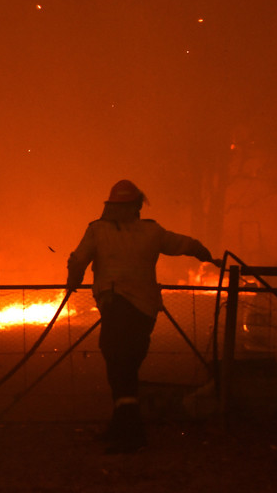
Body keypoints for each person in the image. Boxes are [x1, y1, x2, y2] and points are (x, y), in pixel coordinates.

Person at [66, 179, 216, 454]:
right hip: (145, 311)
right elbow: (182, 244)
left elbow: (78, 261)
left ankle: (131, 434)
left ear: (110, 206)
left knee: (118, 365)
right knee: (128, 366)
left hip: (115, 306)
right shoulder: (152, 232)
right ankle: (121, 427)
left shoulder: (97, 231)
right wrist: (203, 252)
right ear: (136, 207)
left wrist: (72, 281)